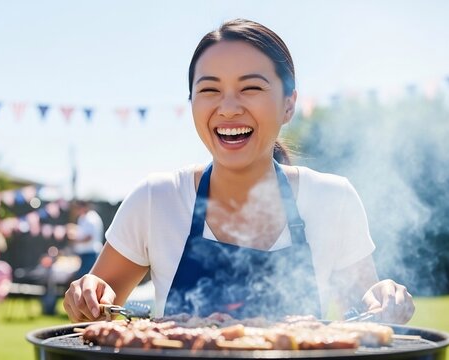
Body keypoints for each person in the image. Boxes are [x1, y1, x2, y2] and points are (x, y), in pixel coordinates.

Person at [64, 19, 415, 324]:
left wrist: (383, 296)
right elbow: (94, 311)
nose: (228, 108)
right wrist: (88, 293)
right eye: (209, 90)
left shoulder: (332, 199)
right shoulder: (155, 199)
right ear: (192, 103)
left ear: (289, 103)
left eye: (251, 88)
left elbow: (367, 308)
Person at [69, 200, 104, 280]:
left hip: (91, 254)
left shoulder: (91, 218)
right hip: (85, 254)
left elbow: (89, 237)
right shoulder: (83, 218)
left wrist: (74, 240)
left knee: (86, 278)